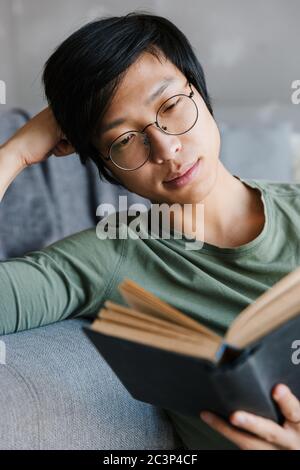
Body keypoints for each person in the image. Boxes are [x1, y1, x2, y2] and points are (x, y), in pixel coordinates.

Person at [1, 11, 300, 450]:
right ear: (108, 168)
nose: (165, 147)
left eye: (171, 106)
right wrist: (17, 152)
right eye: (124, 140)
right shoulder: (110, 256)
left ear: (199, 91)